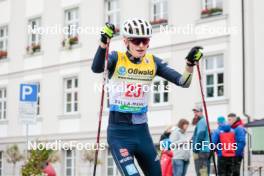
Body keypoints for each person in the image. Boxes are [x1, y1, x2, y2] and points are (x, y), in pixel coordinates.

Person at [91, 18, 203, 176]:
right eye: (136, 41)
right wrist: (103, 43)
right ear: (126, 41)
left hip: (141, 132)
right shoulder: (117, 58)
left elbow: (183, 82)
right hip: (119, 134)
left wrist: (190, 65)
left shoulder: (152, 62)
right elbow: (96, 68)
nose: (141, 45)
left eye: (145, 41)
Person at [191, 106, 211, 176]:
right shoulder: (202, 122)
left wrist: (196, 148)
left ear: (201, 112)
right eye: (194, 112)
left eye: (197, 112)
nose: (195, 114)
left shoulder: (201, 122)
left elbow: (200, 135)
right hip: (204, 150)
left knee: (202, 173)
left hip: (201, 151)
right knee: (204, 172)